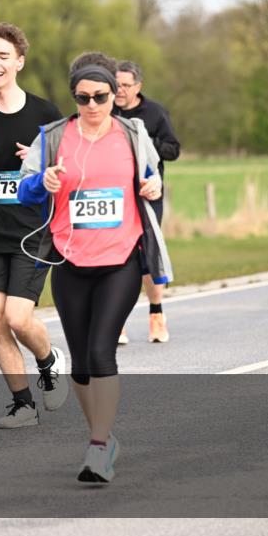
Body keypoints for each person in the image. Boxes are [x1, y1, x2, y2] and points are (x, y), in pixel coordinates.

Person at [18, 62, 173, 483]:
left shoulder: (133, 134)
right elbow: (23, 188)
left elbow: (152, 177)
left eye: (100, 97)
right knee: (81, 364)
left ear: (113, 97)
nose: (92, 104)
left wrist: (153, 186)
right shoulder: (52, 137)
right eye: (83, 97)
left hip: (121, 258)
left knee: (103, 350)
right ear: (74, 98)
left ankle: (99, 447)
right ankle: (100, 435)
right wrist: (42, 183)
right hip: (68, 258)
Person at [0, 23, 68, 429]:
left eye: (3, 56)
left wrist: (36, 164)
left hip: (33, 233)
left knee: (19, 319)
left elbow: (64, 175)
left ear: (19, 62)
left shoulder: (45, 115)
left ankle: (48, 358)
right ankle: (22, 404)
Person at [113, 60, 181, 344]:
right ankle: (117, 321)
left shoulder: (154, 112)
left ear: (138, 87)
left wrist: (147, 143)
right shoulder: (107, 110)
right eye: (116, 84)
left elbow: (174, 149)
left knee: (147, 253)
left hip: (148, 193)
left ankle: (156, 314)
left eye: (126, 85)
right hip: (116, 193)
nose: (120, 90)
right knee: (117, 255)